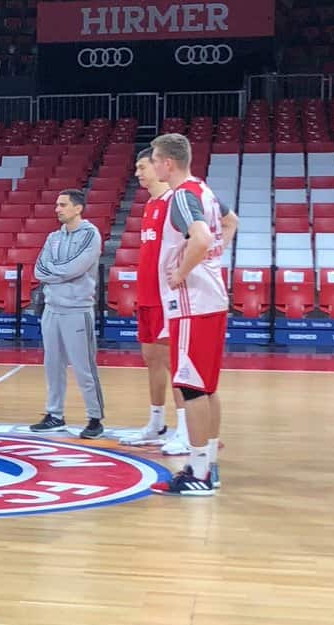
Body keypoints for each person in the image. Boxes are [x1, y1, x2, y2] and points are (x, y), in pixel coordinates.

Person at [148, 133, 238, 496]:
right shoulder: (205, 190)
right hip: (211, 300)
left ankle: (198, 474)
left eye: (155, 160)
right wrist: (214, 256)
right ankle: (208, 466)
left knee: (191, 387)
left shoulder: (182, 196)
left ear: (168, 163)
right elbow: (231, 222)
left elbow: (199, 238)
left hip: (191, 304)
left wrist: (182, 273)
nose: (153, 166)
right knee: (207, 386)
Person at [122, 148, 190, 453]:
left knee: (176, 364)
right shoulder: (150, 204)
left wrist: (183, 273)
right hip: (147, 295)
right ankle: (157, 423)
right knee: (152, 359)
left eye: (142, 167)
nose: (137, 173)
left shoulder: (176, 200)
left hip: (168, 297)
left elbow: (203, 237)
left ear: (160, 165)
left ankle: (186, 430)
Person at [29, 189, 106, 439]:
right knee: (52, 365)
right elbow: (39, 269)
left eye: (63, 205)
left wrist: (55, 272)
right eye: (57, 205)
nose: (57, 209)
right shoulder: (53, 237)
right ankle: (55, 415)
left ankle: (95, 419)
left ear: (78, 208)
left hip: (77, 310)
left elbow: (77, 267)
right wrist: (60, 273)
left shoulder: (90, 234)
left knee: (84, 368)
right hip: (51, 309)